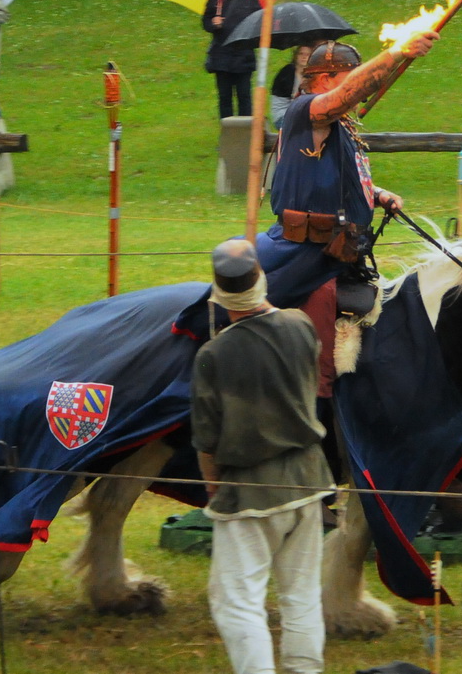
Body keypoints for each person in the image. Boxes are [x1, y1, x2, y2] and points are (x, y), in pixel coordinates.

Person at [193, 239, 336, 674]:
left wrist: (216, 489)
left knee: (236, 603)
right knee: (301, 593)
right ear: (262, 280)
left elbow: (206, 443)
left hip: (250, 491)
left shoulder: (213, 354)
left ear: (220, 295)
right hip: (310, 482)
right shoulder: (300, 326)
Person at [255, 31, 439, 308]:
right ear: (325, 78)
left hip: (342, 251)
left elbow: (336, 177)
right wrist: (400, 50)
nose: (360, 84)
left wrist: (375, 194)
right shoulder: (305, 110)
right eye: (350, 75)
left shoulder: (340, 123)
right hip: (305, 252)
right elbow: (344, 95)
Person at [203, 0, 263, 119]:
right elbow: (205, 21)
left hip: (243, 55)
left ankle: (245, 134)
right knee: (224, 98)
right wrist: (213, 23)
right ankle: (228, 136)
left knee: (244, 96)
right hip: (221, 56)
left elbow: (260, 21)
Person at [267, 44, 314, 129]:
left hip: (303, 115)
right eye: (301, 54)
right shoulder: (287, 73)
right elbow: (294, 102)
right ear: (296, 56)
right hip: (283, 114)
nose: (304, 57)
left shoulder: (315, 74)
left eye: (307, 55)